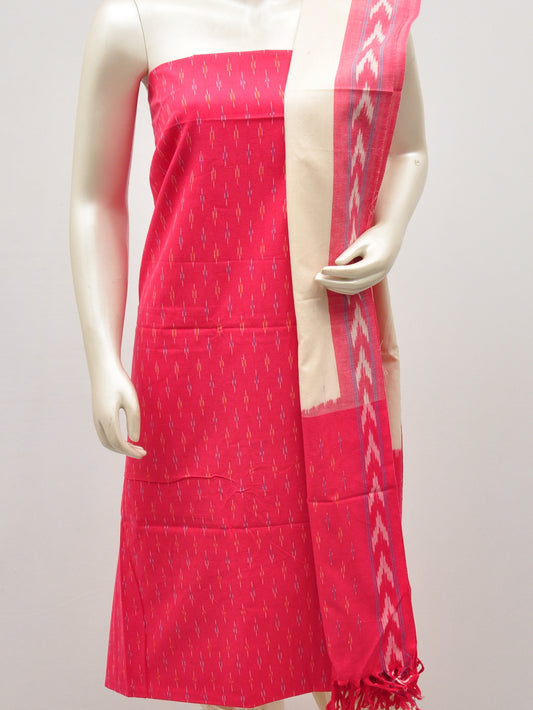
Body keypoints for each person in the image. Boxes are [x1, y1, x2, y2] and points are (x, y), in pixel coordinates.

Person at [70, 1, 427, 709]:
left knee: (338, 607)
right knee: (228, 622)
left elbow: (408, 150)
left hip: (326, 354)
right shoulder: (134, 19)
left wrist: (389, 230)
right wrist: (102, 359)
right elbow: (94, 201)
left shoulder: (362, 16)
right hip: (197, 363)